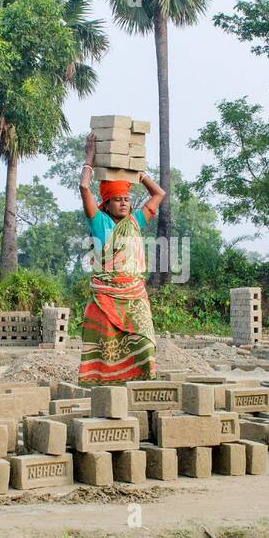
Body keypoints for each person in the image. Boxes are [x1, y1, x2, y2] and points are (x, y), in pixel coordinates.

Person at [78, 132, 166, 385]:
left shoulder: (135, 222)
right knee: (105, 346)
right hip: (106, 295)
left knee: (146, 340)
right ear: (106, 204)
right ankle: (107, 389)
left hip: (134, 294)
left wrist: (139, 174)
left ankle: (142, 385)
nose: (124, 204)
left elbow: (158, 195)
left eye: (127, 199)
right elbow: (84, 187)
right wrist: (90, 157)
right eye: (118, 200)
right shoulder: (99, 222)